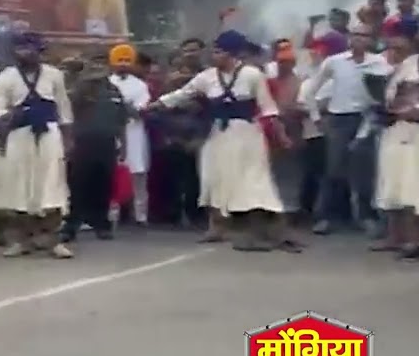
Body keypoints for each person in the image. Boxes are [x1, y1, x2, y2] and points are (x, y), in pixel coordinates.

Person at [150, 31, 289, 250]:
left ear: (232, 53)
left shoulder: (252, 75)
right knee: (212, 177)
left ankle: (259, 229)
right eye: (214, 51)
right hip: (217, 133)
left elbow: (268, 108)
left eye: (219, 51)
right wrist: (158, 104)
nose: (214, 56)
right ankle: (217, 226)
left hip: (246, 134)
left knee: (250, 180)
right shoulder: (207, 77)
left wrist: (281, 135)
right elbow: (184, 93)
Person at [0, 32, 74, 259]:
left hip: (49, 134)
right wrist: (11, 117)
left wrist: (68, 139)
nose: (24, 53)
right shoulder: (6, 77)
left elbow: (64, 109)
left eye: (29, 49)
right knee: (20, 187)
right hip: (20, 135)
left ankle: (54, 241)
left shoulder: (54, 75)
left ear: (39, 51)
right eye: (20, 49)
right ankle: (21, 241)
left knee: (52, 185)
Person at [304, 23, 391, 236]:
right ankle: (326, 217)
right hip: (339, 119)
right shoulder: (335, 62)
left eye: (364, 35)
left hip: (367, 118)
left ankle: (366, 217)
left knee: (365, 171)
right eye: (355, 35)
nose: (359, 39)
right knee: (333, 169)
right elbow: (311, 91)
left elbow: (386, 92)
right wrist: (316, 118)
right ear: (349, 38)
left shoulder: (379, 62)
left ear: (371, 40)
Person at [62, 59, 125, 241]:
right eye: (94, 64)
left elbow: (121, 120)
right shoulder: (80, 88)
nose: (98, 68)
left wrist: (124, 145)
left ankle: (102, 225)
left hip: (107, 143)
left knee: (104, 184)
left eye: (102, 64)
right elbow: (67, 113)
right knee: (78, 184)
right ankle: (71, 226)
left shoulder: (114, 91)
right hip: (82, 143)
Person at [373, 32, 419, 257]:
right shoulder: (398, 69)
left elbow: (412, 103)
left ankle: (412, 239)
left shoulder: (413, 69)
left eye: (399, 48)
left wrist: (407, 111)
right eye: (391, 48)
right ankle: (394, 237)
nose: (393, 52)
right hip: (393, 129)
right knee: (390, 183)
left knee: (409, 185)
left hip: (411, 132)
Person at [265, 39, 308, 252]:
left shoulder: (301, 82)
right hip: (270, 133)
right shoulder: (269, 82)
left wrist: (292, 112)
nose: (284, 65)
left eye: (288, 61)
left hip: (294, 131)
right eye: (281, 61)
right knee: (270, 174)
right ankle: (272, 217)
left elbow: (306, 107)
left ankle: (289, 216)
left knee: (291, 175)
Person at [108, 44, 151, 225]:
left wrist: (124, 107)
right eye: (119, 60)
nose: (123, 64)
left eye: (127, 60)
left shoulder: (140, 85)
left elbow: (141, 109)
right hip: (112, 133)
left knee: (138, 175)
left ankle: (140, 215)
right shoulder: (106, 84)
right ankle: (112, 214)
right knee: (112, 174)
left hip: (134, 133)